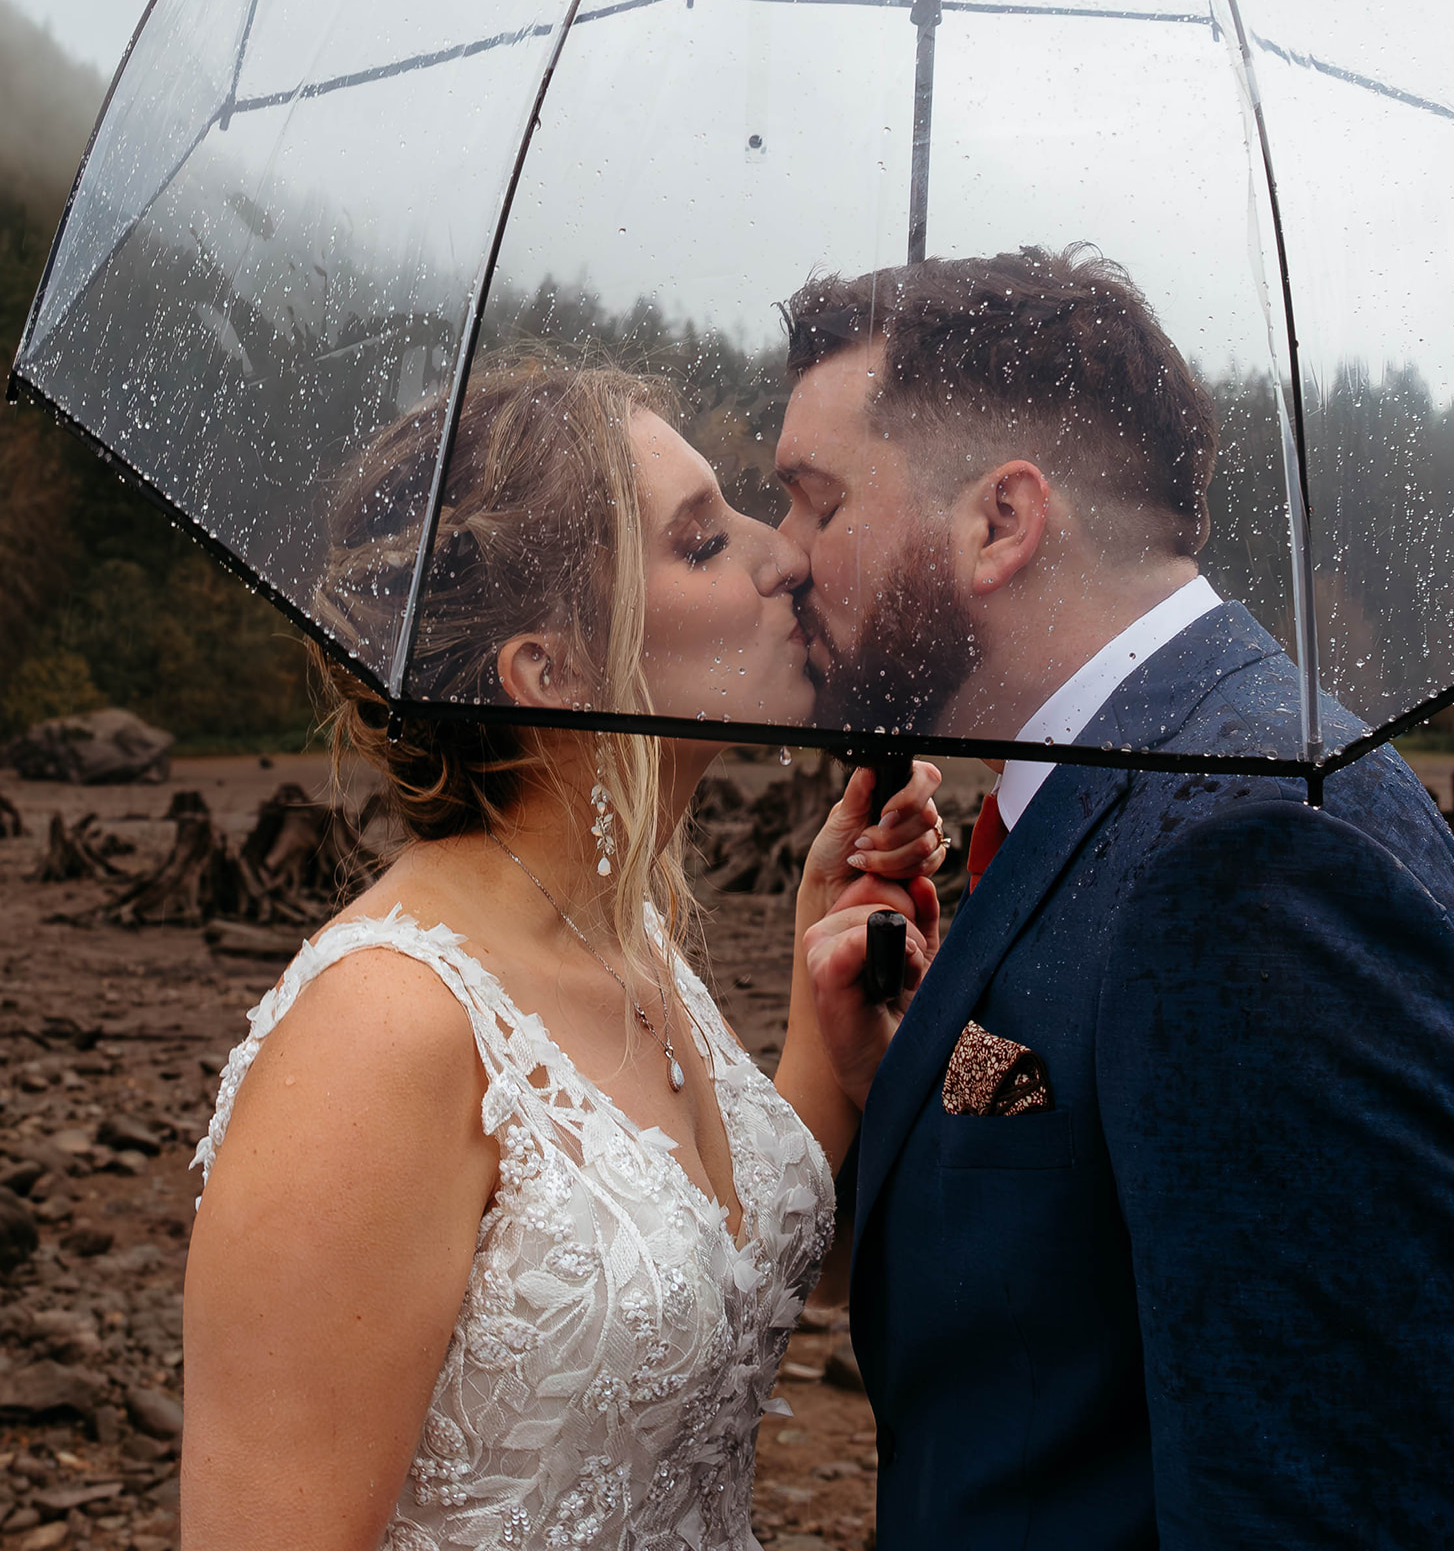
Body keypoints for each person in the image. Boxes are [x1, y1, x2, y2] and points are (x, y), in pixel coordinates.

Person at [779, 247, 1454, 1548]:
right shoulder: (1116, 790)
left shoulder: (1256, 865)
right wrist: (896, 1075)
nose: (780, 561)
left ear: (1001, 524)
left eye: (815, 502)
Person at [179, 358, 944, 1551]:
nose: (782, 555)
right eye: (699, 544)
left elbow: (737, 1269)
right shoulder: (384, 1028)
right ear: (554, 669)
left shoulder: (628, 943)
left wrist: (825, 1033)